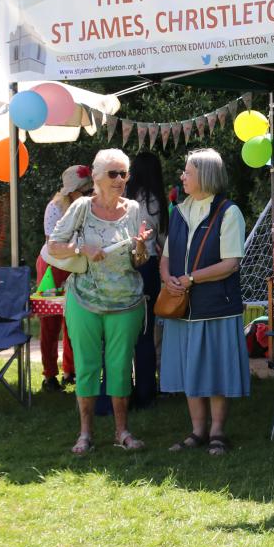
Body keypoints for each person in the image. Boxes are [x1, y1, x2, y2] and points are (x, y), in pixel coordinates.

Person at [46, 148, 152, 455]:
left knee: (120, 367)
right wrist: (82, 248)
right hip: (85, 299)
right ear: (96, 177)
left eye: (124, 174)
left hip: (126, 301)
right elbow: (54, 245)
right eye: (113, 174)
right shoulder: (81, 206)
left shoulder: (134, 209)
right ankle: (85, 434)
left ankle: (122, 432)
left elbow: (139, 260)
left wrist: (141, 248)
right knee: (87, 366)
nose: (120, 180)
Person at [159, 148, 247, 454]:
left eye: (188, 172)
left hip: (216, 307)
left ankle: (218, 431)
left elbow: (231, 263)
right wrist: (167, 278)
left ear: (205, 175)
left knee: (215, 370)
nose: (182, 177)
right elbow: (166, 256)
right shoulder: (179, 211)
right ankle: (197, 431)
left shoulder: (228, 212)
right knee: (190, 369)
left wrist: (191, 278)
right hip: (182, 306)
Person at [36, 164, 91, 390]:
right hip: (51, 268)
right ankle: (49, 374)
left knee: (74, 320)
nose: (90, 193)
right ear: (71, 191)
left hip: (74, 267)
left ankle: (71, 370)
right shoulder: (55, 207)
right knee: (50, 321)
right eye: (85, 190)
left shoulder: (89, 207)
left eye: (91, 189)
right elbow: (53, 244)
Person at [126, 150, 166, 407]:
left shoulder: (123, 199)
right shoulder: (154, 202)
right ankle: (146, 389)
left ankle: (122, 388)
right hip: (147, 265)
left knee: (123, 331)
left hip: (124, 266)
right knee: (146, 330)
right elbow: (163, 239)